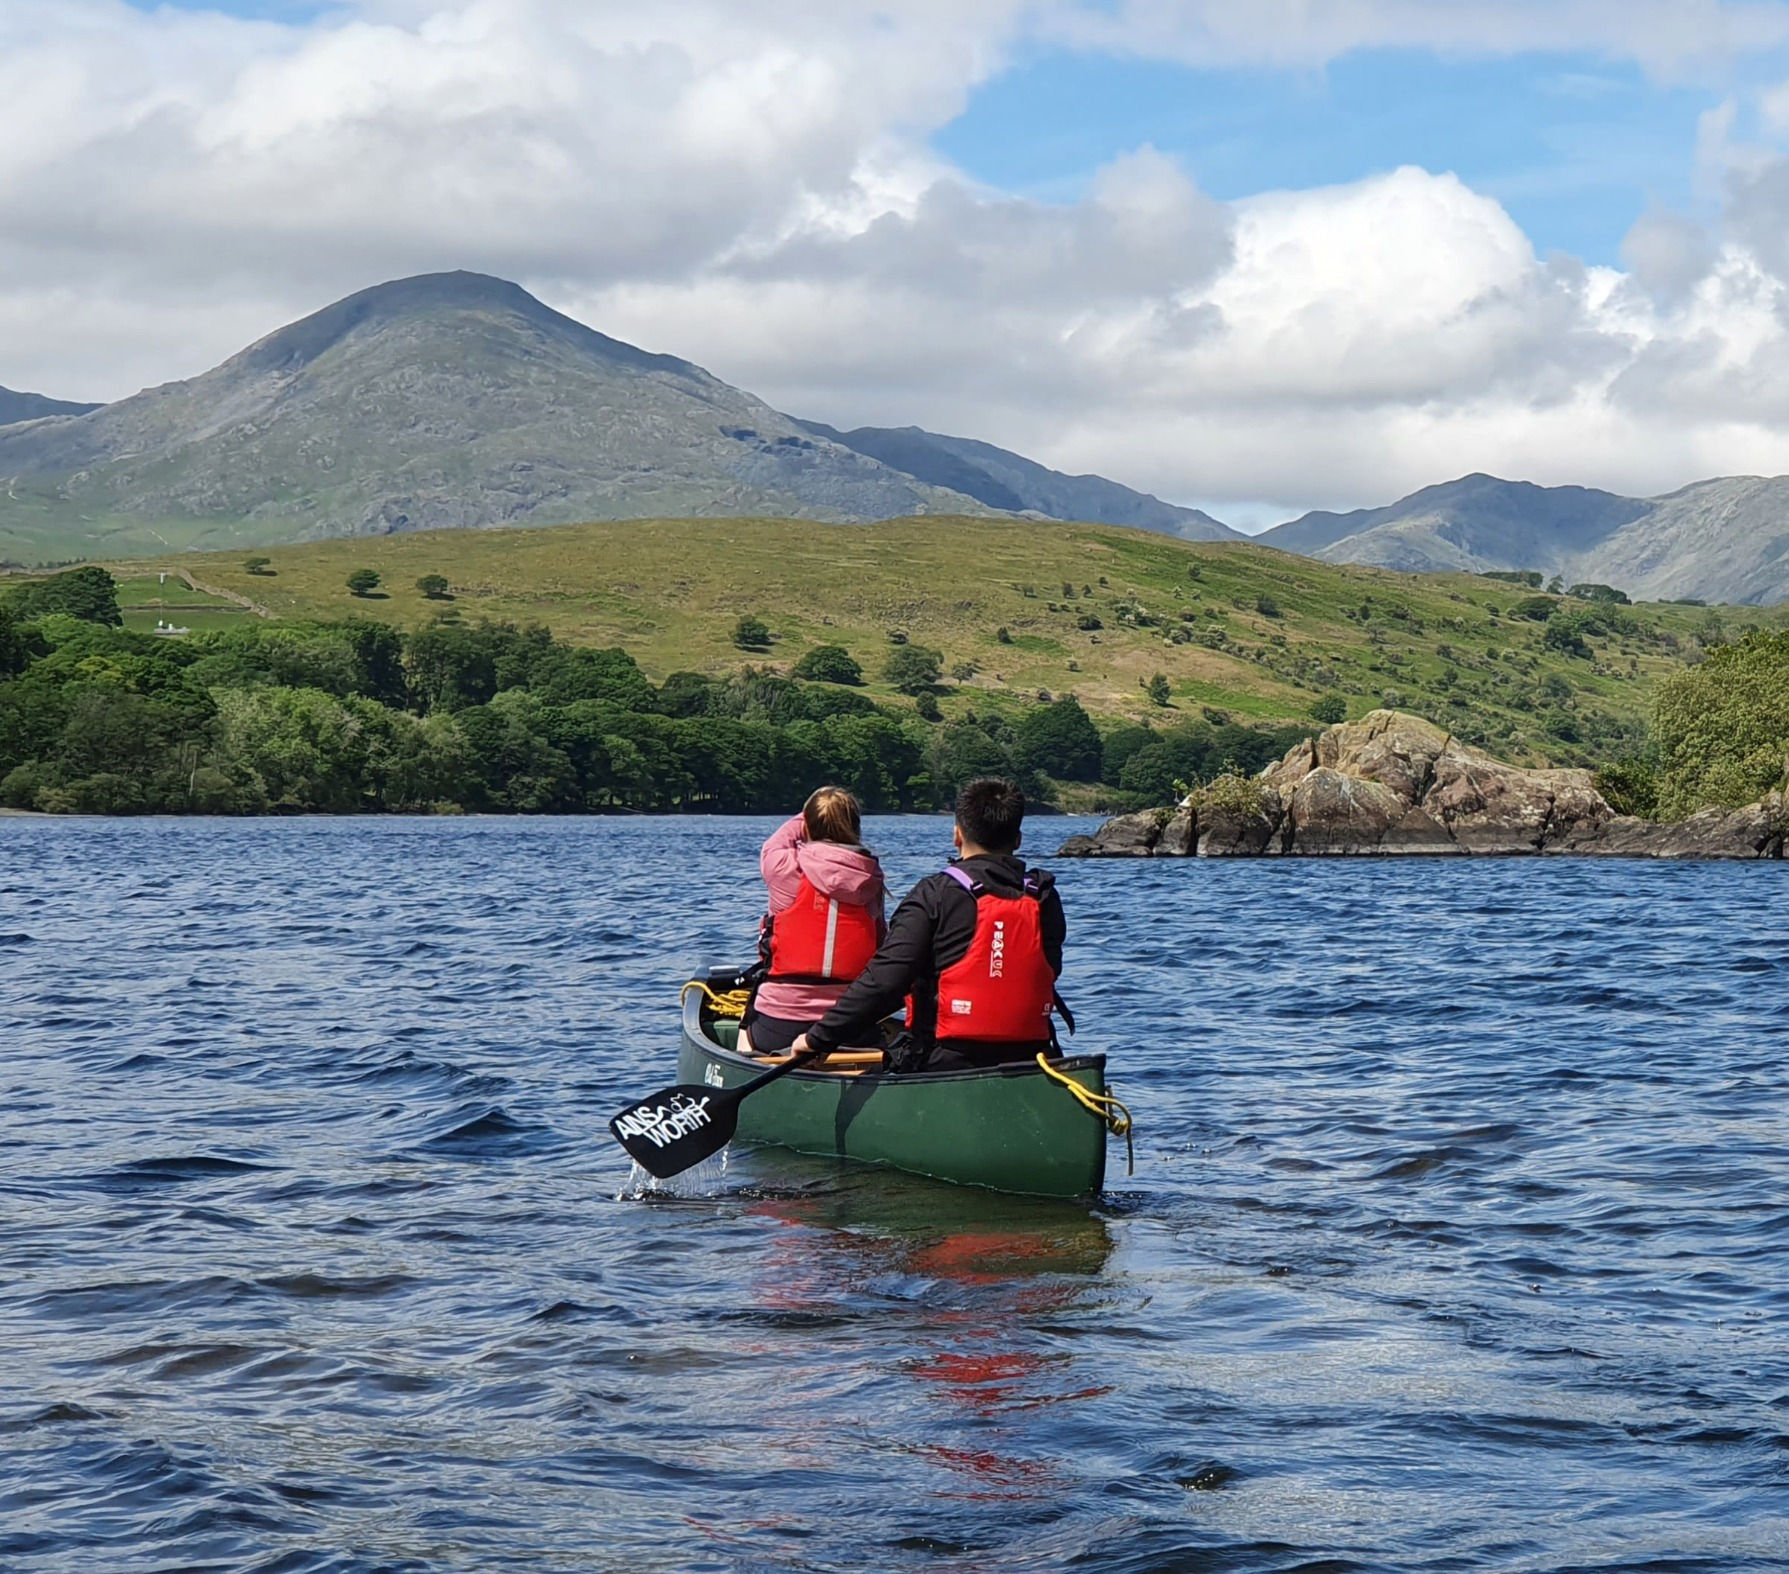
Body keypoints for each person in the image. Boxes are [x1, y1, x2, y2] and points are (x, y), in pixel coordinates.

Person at [791, 777, 1067, 1073]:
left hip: (942, 1062)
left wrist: (817, 1039)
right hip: (1032, 1061)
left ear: (957, 835)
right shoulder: (1045, 898)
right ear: (1018, 840)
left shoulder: (932, 895)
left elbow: (884, 982)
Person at [742, 785, 887, 1056]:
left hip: (779, 1025)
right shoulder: (870, 879)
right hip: (851, 1026)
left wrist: (810, 815)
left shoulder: (785, 866)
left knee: (744, 1029)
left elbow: (774, 842)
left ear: (807, 825)